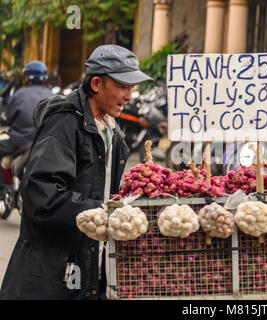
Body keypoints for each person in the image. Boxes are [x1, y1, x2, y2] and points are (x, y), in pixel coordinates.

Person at [0, 45, 153, 300]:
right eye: (123, 86)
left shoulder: (112, 131)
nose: (129, 95)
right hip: (50, 275)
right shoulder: (65, 124)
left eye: (132, 87)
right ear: (96, 83)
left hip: (89, 264)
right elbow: (42, 196)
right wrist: (104, 214)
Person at [0, 61, 53, 195]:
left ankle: (1, 191)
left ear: (27, 77)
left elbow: (8, 118)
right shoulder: (53, 96)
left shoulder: (20, 94)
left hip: (19, 142)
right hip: (44, 143)